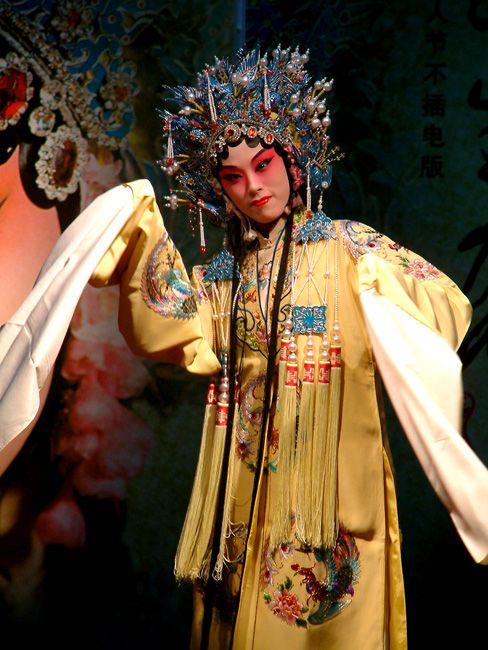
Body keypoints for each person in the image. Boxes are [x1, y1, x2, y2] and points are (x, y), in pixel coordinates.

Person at [1, 45, 487, 649]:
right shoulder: (223, 280)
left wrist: (390, 322)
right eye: (233, 176)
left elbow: (444, 307)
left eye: (263, 164)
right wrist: (135, 231)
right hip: (240, 488)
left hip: (333, 490)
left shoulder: (353, 252)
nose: (254, 187)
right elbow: (173, 328)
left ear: (294, 158)